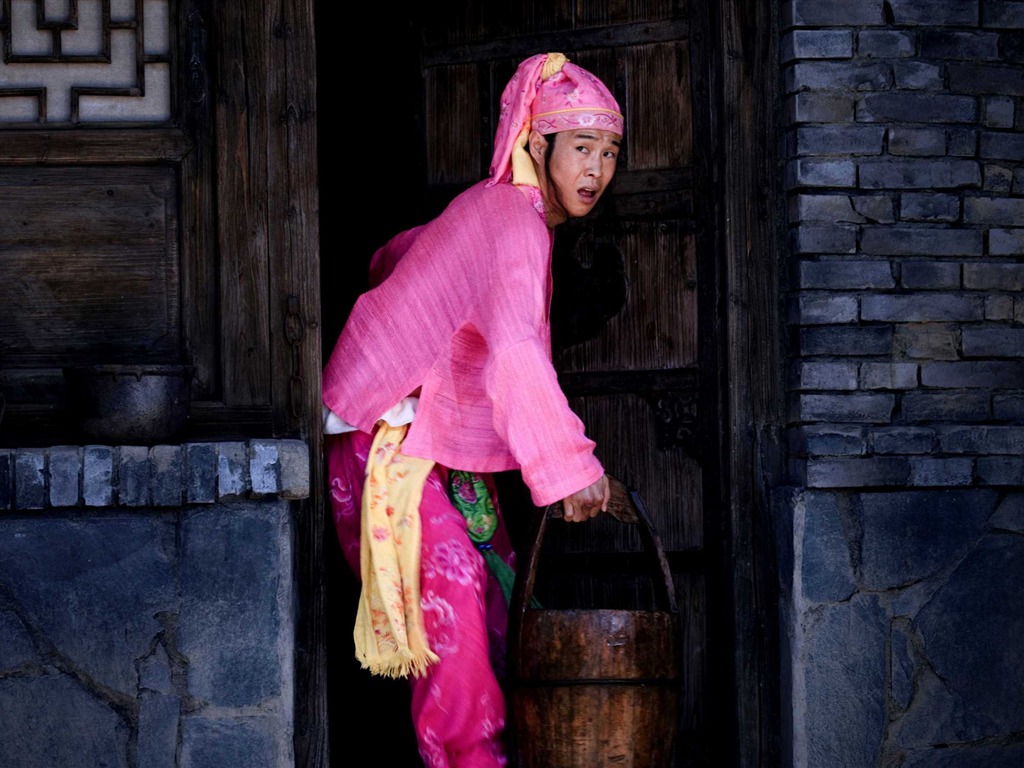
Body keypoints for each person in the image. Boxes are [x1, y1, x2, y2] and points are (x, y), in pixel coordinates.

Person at [322, 51, 622, 768]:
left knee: (496, 608)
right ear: (537, 144)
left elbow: (398, 254)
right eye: (582, 147)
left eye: (610, 152)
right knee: (455, 624)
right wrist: (570, 468)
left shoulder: (501, 215)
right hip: (392, 442)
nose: (598, 170)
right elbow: (517, 352)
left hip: (434, 442)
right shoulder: (511, 220)